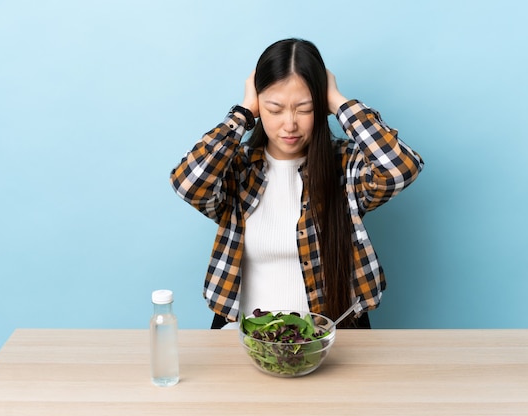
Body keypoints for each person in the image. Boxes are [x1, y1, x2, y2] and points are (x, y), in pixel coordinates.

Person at [170, 38, 423, 329]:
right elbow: (187, 182)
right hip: (243, 339)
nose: (289, 124)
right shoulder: (237, 169)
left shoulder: (345, 166)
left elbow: (401, 168)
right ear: (258, 107)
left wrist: (339, 101)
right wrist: (241, 114)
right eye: (275, 109)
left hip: (332, 338)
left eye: (304, 109)